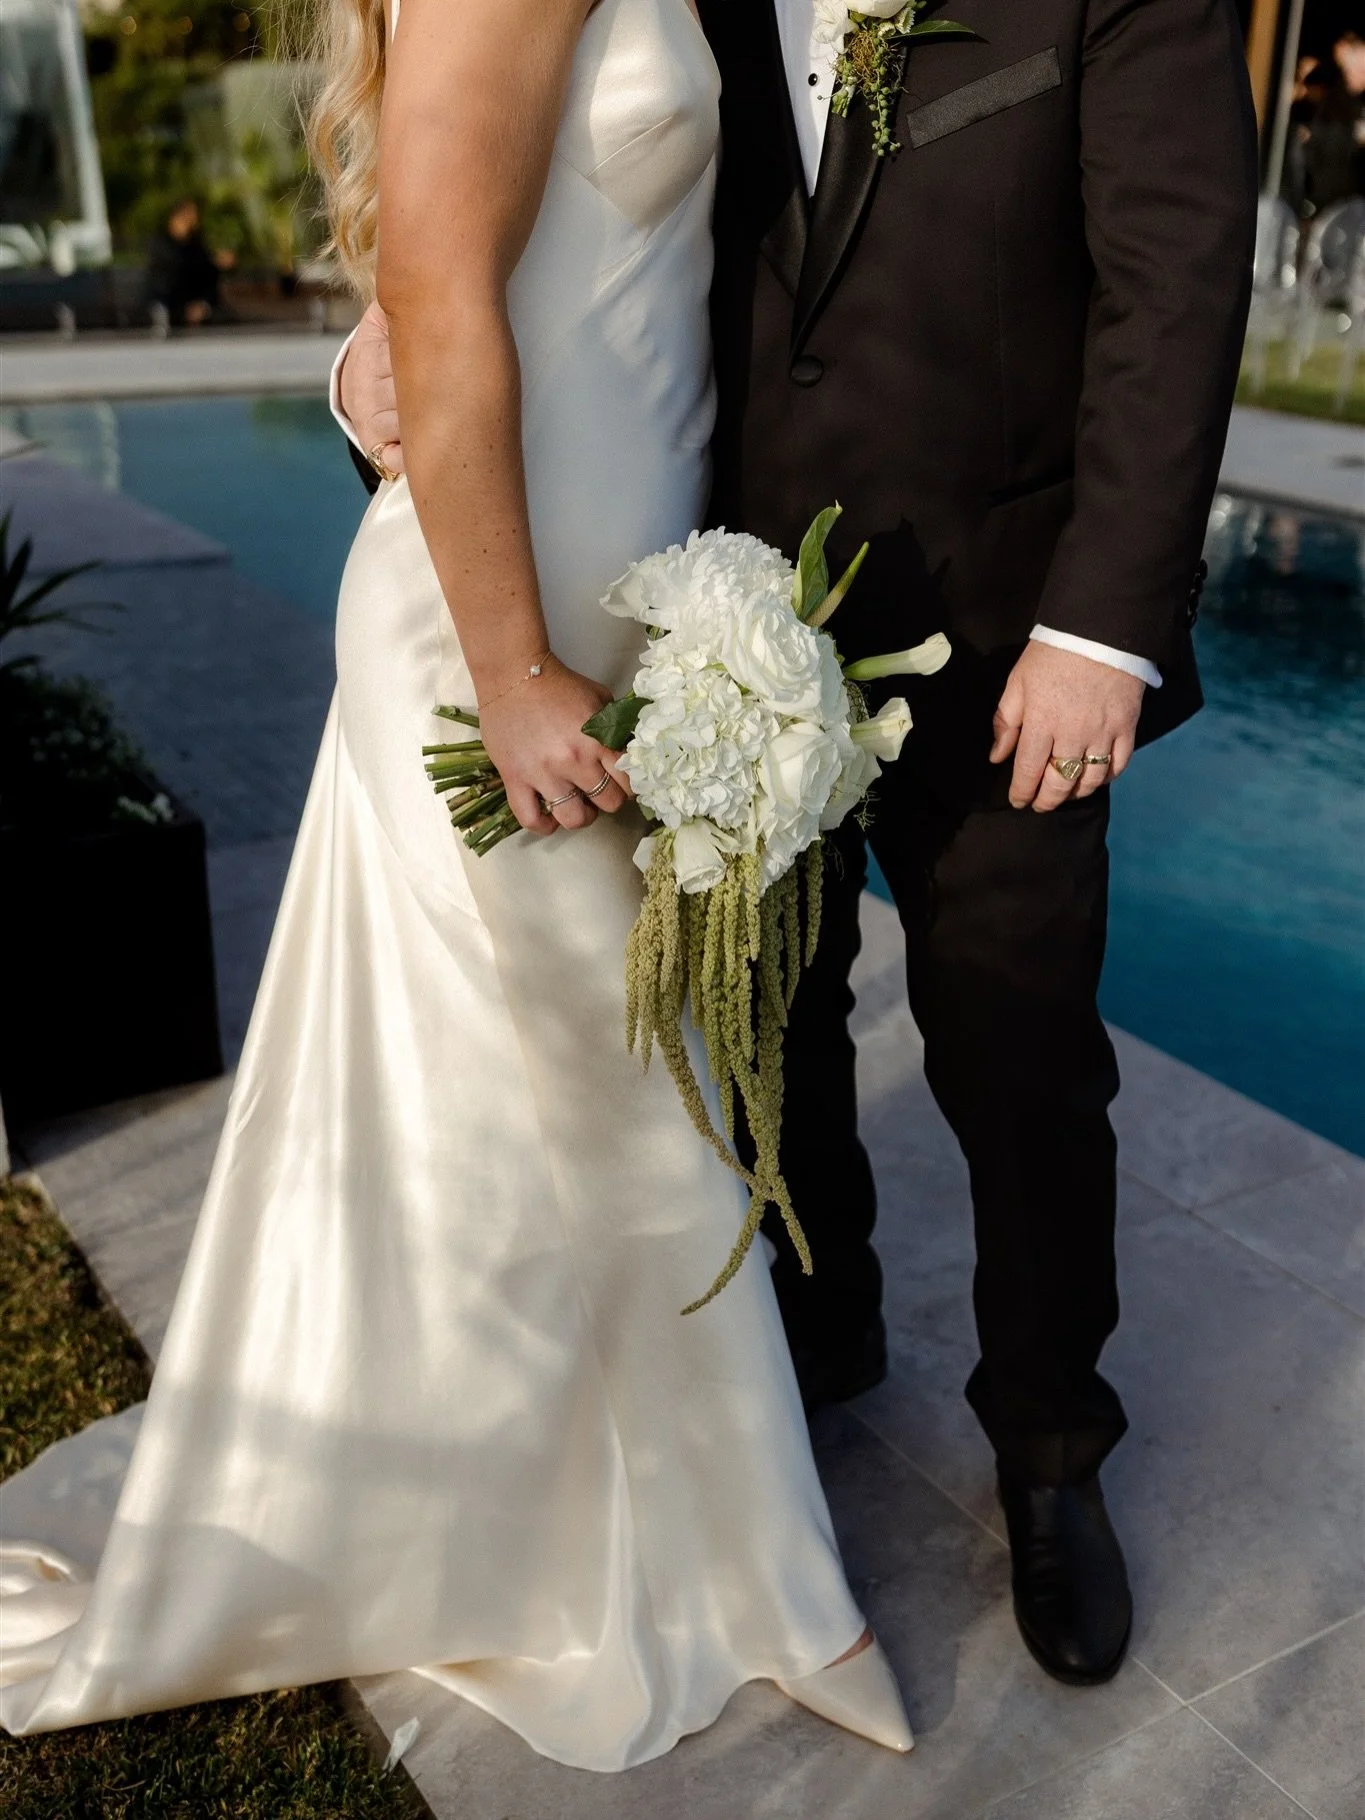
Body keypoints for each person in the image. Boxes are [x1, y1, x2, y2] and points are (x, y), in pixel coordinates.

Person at [0, 0, 912, 1768]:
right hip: (499, 632)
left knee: (530, 1111)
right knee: (639, 1095)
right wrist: (509, 675)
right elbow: (434, 273)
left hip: (610, 593)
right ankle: (781, 1592)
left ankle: (528, 1495)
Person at [337, 0, 1257, 1690]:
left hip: (1006, 638)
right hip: (719, 617)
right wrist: (366, 364)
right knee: (773, 1011)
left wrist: (1103, 631)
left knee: (1020, 1054)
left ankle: (1052, 1449)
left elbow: (1178, 286)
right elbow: (527, 206)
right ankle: (822, 1334)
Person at [144, 198, 235, 327]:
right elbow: (168, 278)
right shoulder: (160, 245)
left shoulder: (196, 245)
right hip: (169, 306)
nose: (194, 220)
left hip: (198, 306)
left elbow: (208, 277)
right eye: (189, 214)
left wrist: (203, 304)